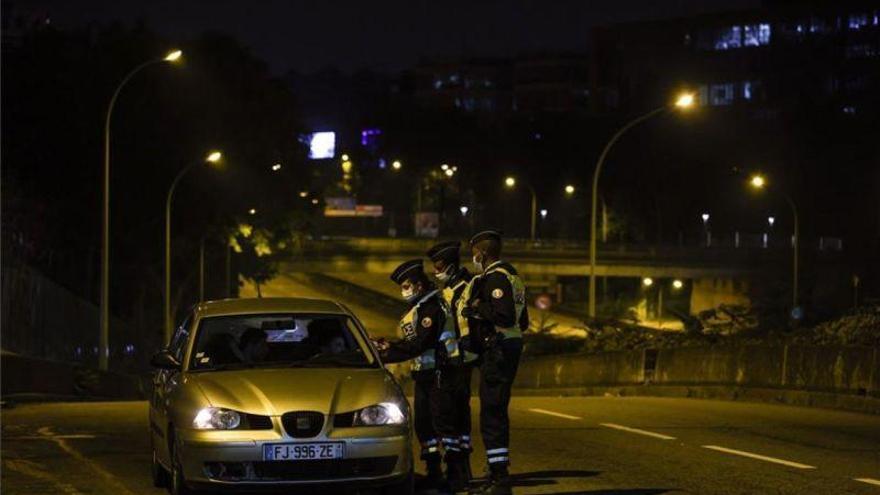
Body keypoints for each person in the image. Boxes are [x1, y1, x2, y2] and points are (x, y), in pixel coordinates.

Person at [374, 259, 465, 492]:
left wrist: (388, 355)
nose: (404, 291)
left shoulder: (431, 308)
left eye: (407, 285)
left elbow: (420, 344)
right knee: (424, 425)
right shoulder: (419, 308)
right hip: (424, 375)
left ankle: (455, 474)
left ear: (420, 286)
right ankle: (434, 471)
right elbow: (412, 343)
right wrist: (390, 346)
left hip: (439, 372)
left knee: (443, 424)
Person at [461, 230, 529, 495]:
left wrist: (477, 308)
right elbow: (523, 322)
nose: (473, 258)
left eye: (474, 253)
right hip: (510, 344)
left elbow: (505, 316)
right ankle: (497, 470)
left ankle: (499, 478)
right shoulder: (514, 276)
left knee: (492, 412)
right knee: (496, 408)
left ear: (483, 253)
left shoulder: (496, 277)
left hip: (499, 348)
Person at [427, 240, 477, 484]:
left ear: (452, 265)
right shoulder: (447, 289)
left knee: (449, 414)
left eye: (439, 266)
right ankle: (460, 468)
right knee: (455, 413)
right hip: (451, 359)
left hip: (459, 359)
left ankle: (458, 468)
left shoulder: (466, 287)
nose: (436, 271)